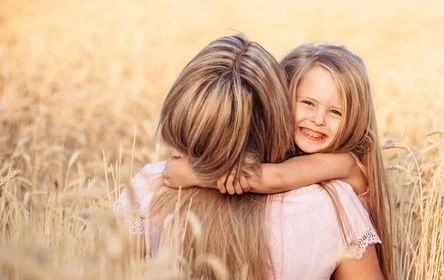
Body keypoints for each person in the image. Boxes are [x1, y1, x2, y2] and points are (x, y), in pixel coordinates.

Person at [111, 35, 384, 279]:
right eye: (307, 103)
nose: (318, 120)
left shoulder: (344, 169)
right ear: (280, 102)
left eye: (335, 112)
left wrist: (197, 174)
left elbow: (277, 178)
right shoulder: (329, 203)